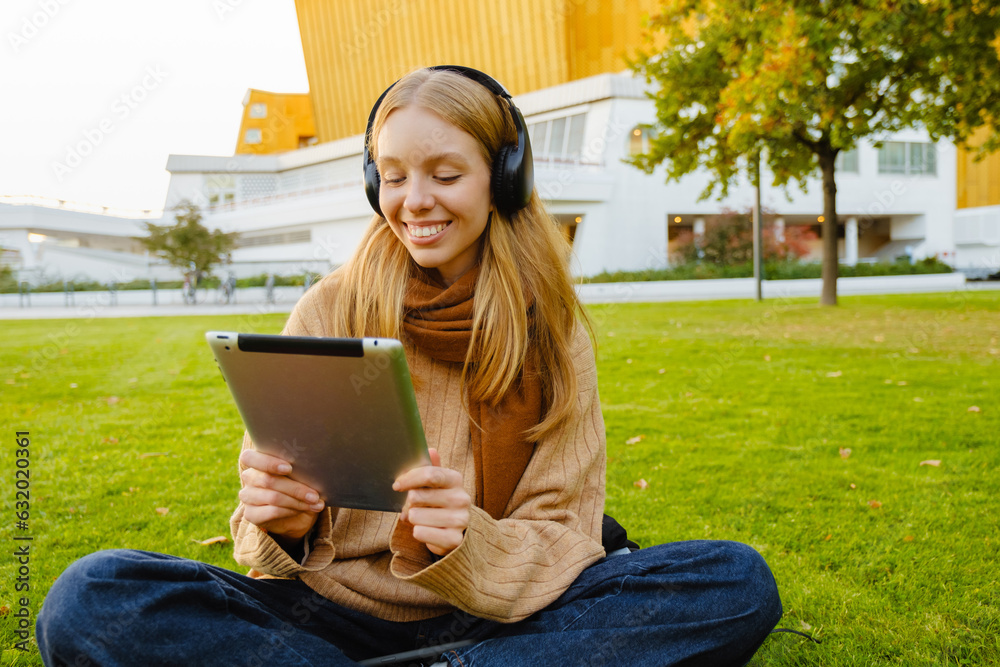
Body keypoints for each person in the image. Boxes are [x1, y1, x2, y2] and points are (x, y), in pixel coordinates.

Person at [36, 66, 781, 666]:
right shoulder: (327, 309)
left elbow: (567, 532)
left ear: (503, 178)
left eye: (445, 175)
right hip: (319, 619)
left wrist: (468, 540)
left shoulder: (552, 332)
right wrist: (283, 523)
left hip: (494, 617)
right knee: (91, 595)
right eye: (393, 176)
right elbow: (256, 531)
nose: (413, 201)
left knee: (734, 581)